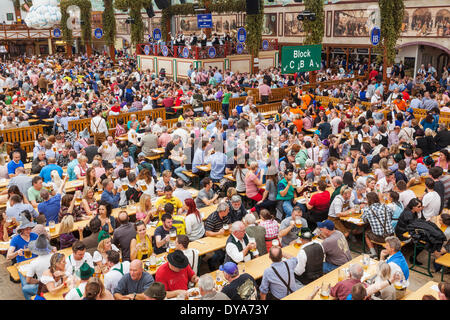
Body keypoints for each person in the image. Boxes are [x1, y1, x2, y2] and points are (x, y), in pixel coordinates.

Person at [361, 192, 395, 258]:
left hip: (380, 238)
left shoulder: (368, 210)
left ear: (368, 200)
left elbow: (364, 220)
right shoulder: (385, 206)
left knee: (366, 233)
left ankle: (373, 253)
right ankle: (376, 250)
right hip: (391, 235)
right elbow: (391, 215)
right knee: (373, 230)